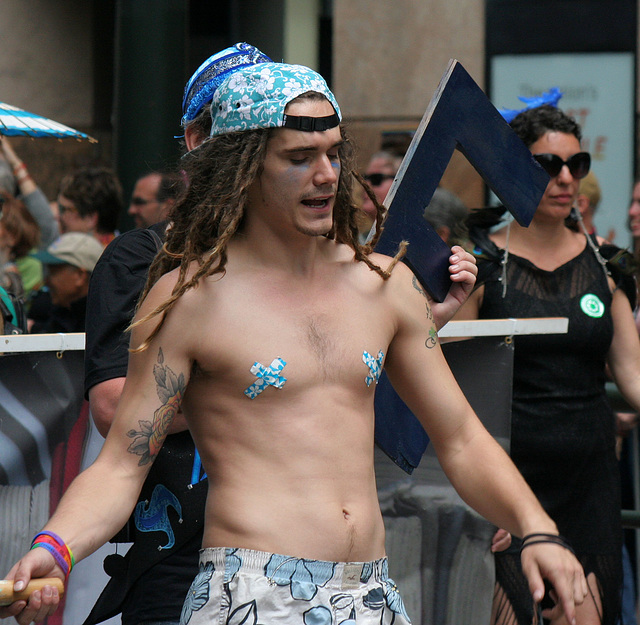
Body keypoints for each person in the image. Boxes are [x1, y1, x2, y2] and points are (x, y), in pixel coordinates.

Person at [1, 61, 587, 625]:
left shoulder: (384, 285)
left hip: (374, 593)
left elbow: (460, 437)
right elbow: (122, 466)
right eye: (300, 157)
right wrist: (55, 548)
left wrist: (539, 529)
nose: (327, 175)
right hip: (250, 593)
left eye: (334, 153)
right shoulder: (189, 298)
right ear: (244, 168)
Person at [80, 42, 273, 625]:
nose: (254, 151)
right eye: (234, 130)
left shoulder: (312, 263)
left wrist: (423, 319)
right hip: (180, 553)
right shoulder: (141, 258)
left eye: (268, 130)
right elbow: (117, 409)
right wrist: (256, 376)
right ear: (195, 139)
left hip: (301, 556)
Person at [455, 103, 640, 625]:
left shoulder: (607, 263)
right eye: (547, 165)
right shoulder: (482, 263)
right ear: (513, 168)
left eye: (575, 164)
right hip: (506, 483)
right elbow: (450, 382)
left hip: (590, 482)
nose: (565, 179)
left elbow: (631, 374)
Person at [29, 232, 104, 334]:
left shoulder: (100, 327)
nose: (46, 281)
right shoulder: (57, 315)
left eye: (53, 272)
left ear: (80, 276)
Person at [56, 166, 124, 247]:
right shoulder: (120, 251)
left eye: (64, 209)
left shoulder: (94, 257)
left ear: (90, 218)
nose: (59, 217)